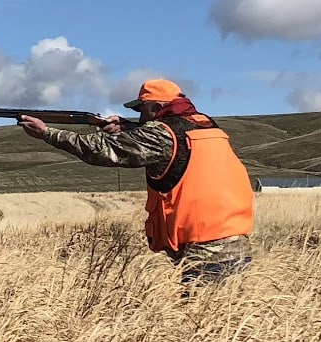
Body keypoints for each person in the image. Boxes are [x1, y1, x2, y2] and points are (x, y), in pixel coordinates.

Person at [18, 79, 254, 293]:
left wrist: (48, 133)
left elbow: (101, 151)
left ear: (156, 107)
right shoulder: (205, 124)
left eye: (142, 109)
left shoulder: (160, 134)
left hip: (205, 251)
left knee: (201, 327)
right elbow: (172, 138)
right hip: (235, 240)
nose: (140, 115)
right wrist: (128, 128)